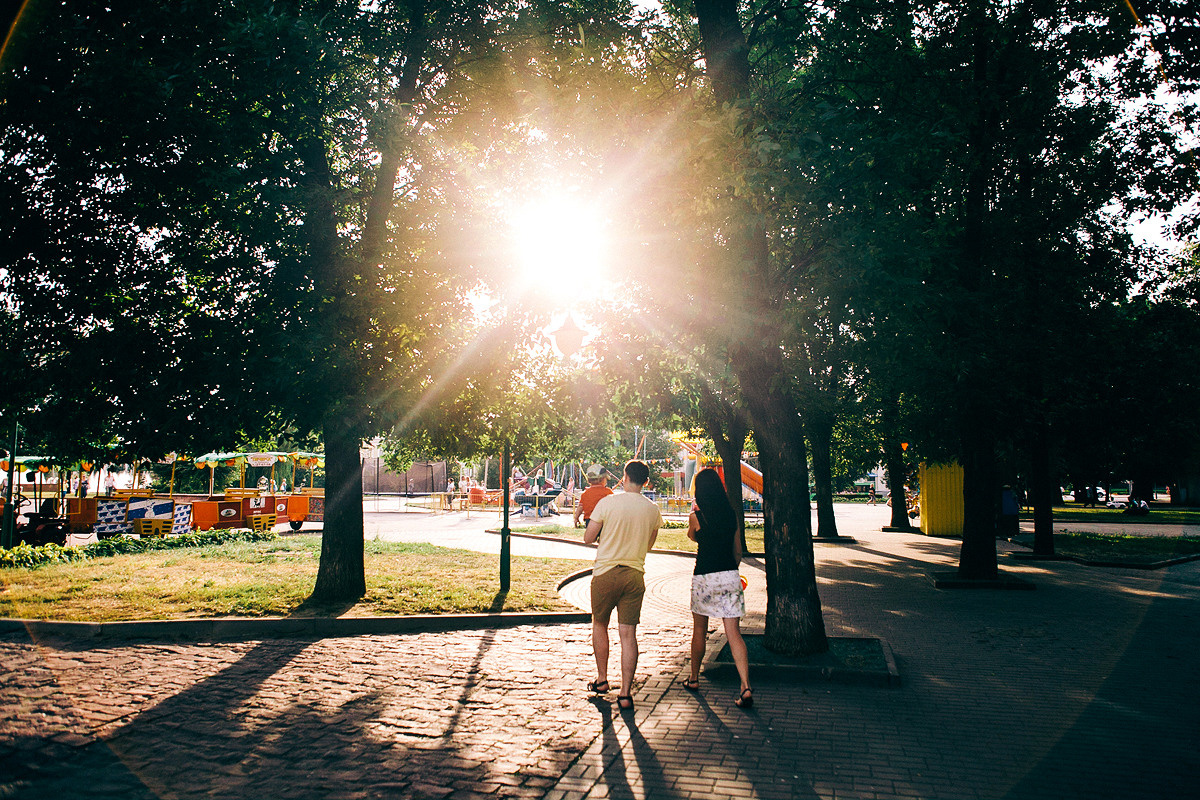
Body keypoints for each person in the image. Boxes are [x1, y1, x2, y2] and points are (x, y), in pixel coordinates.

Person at [584, 460, 663, 711]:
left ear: (624, 477)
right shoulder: (652, 510)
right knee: (628, 635)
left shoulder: (607, 503)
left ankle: (602, 679)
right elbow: (649, 545)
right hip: (634, 575)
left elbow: (588, 538)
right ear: (646, 482)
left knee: (600, 624)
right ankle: (626, 693)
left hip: (606, 572)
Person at [681, 467, 753, 709]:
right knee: (734, 633)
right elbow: (738, 551)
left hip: (704, 576)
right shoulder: (732, 515)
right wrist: (731, 571)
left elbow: (692, 536)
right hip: (729, 575)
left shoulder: (696, 517)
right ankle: (745, 686)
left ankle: (693, 678)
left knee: (699, 630)